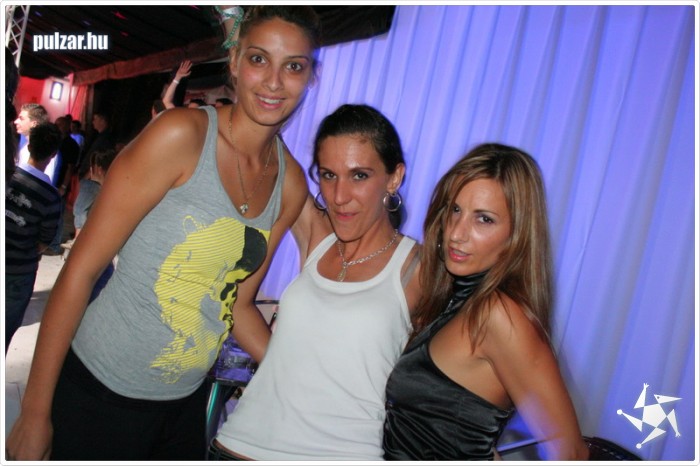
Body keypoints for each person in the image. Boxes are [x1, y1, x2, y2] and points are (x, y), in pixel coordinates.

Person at [6, 5, 320, 461]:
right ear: (234, 62)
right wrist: (35, 412)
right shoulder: (181, 135)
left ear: (309, 77)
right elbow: (81, 269)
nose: (274, 81)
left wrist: (295, 375)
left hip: (185, 402)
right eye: (259, 59)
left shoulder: (290, 185)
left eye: (294, 66)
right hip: (100, 391)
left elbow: (237, 304)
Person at [211, 104, 422, 461]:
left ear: (394, 177)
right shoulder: (318, 237)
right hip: (239, 446)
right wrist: (283, 366)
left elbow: (451, 385)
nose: (339, 196)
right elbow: (270, 148)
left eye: (359, 176)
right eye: (328, 175)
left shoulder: (420, 268)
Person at [382, 143, 590, 461]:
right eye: (455, 210)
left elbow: (571, 454)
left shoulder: (499, 316)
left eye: (484, 219)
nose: (457, 233)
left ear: (517, 234)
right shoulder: (455, 301)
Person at [5, 122, 63, 352]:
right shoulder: (51, 197)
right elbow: (44, 240)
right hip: (19, 273)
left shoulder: (8, 176)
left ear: (28, 146)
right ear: (53, 154)